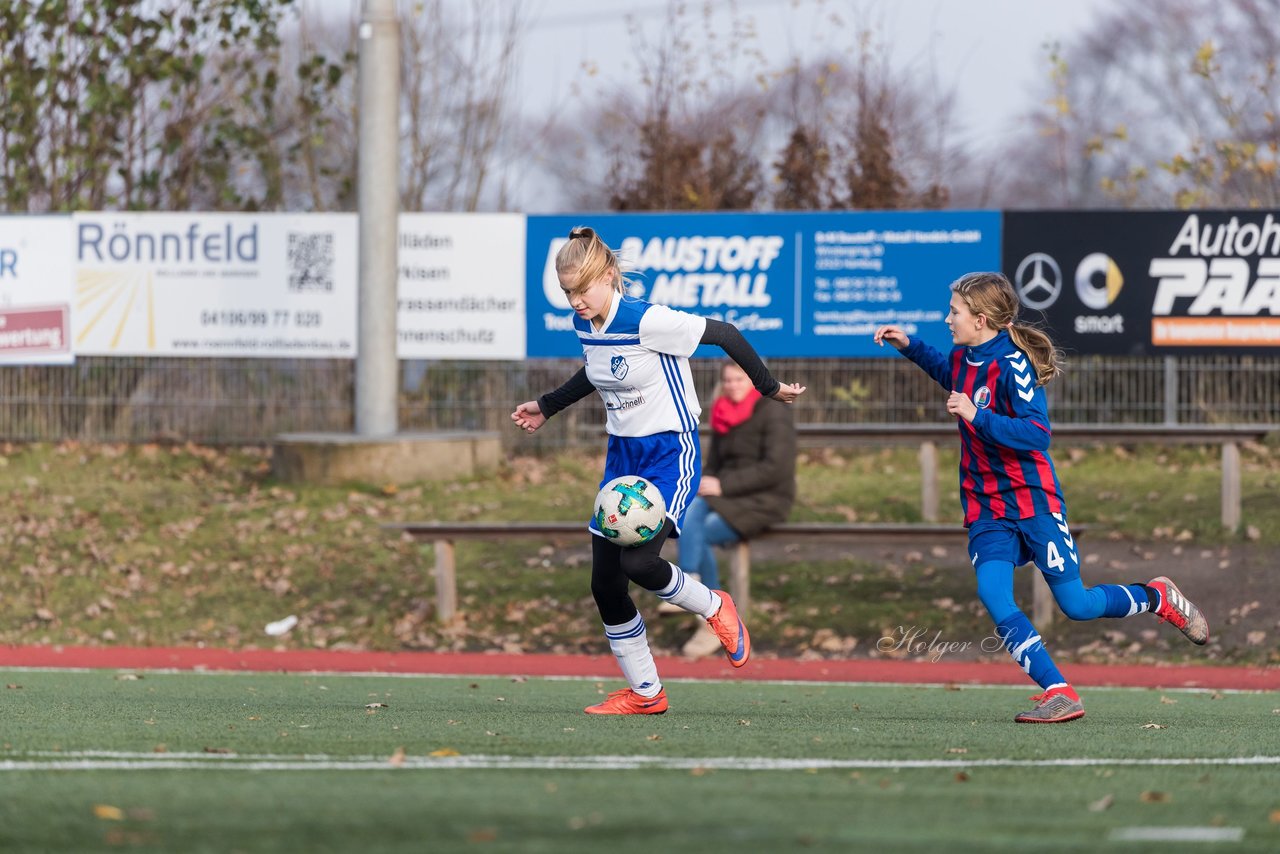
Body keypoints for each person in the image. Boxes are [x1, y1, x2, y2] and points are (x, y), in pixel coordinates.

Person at [873, 272, 1209, 724]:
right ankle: (1059, 690)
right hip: (986, 505)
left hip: (1033, 502)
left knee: (1078, 605)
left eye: (953, 312)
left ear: (981, 319)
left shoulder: (1013, 364)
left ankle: (1156, 597)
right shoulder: (962, 355)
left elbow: (1036, 434)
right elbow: (946, 369)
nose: (946, 318)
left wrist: (978, 415)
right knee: (992, 591)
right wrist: (909, 345)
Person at [512, 226, 806, 716]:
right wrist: (547, 405)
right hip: (621, 459)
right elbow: (595, 369)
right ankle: (647, 693)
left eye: (583, 289)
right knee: (605, 584)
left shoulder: (647, 319)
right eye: (567, 292)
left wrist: (769, 386)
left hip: (670, 454)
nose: (576, 300)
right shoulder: (586, 323)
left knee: (640, 565)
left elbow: (725, 333)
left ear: (609, 277)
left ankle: (715, 606)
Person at [674, 359, 797, 658]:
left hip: (764, 499)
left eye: (739, 380)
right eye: (728, 381)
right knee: (688, 514)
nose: (732, 386)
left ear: (754, 382)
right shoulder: (722, 411)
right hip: (727, 496)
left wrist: (723, 486)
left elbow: (776, 469)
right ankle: (707, 600)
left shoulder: (773, 411)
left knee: (696, 530)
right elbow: (715, 464)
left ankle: (706, 611)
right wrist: (704, 483)